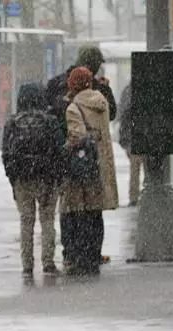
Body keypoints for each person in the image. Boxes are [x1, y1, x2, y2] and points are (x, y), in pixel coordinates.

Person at [2, 83, 64, 279]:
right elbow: (59, 151)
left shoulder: (12, 123)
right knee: (47, 220)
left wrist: (13, 179)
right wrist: (57, 177)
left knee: (26, 222)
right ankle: (48, 261)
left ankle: (27, 265)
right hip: (46, 179)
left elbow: (6, 154)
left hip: (22, 178)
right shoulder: (50, 121)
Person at [60, 67, 118, 276]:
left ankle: (79, 258)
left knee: (76, 211)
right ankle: (94, 255)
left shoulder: (74, 108)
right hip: (100, 164)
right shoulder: (101, 102)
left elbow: (77, 136)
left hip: (82, 167)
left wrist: (64, 148)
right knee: (95, 212)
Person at [118, 83, 143, 206]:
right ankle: (140, 195)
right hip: (142, 140)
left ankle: (134, 197)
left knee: (134, 170)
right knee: (150, 171)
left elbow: (124, 125)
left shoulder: (128, 106)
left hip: (133, 142)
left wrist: (125, 143)